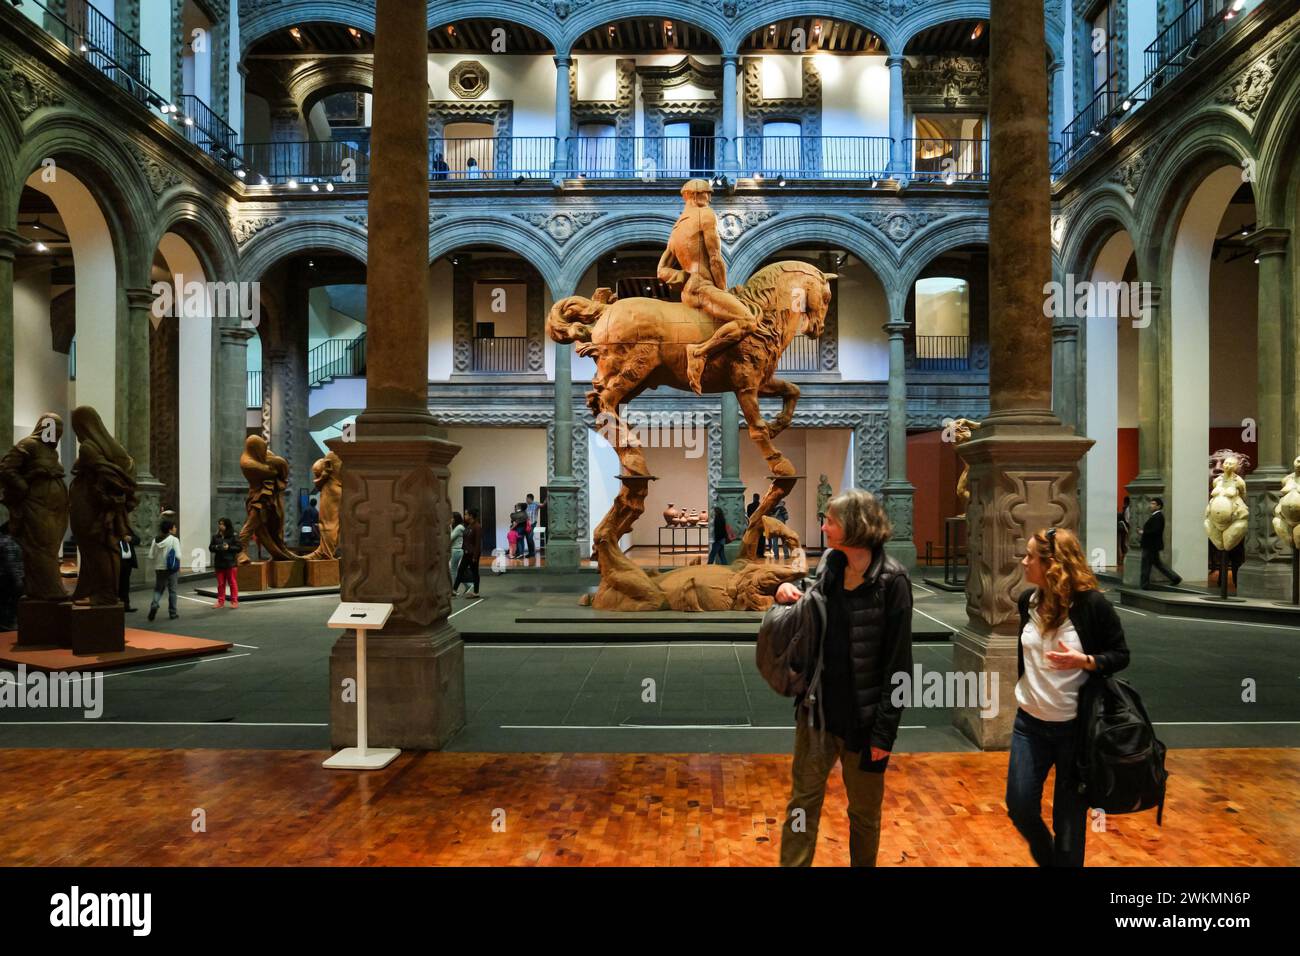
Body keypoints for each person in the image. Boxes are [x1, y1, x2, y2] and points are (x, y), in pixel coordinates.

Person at [773, 489, 913, 867]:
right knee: (802, 805)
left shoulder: (892, 581)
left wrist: (885, 733)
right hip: (817, 713)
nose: (823, 527)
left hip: (865, 725)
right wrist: (791, 593)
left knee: (864, 816)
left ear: (854, 526)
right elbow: (815, 615)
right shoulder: (831, 565)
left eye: (830, 521)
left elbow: (900, 666)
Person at [1007, 527, 1130, 867]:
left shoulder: (1092, 605)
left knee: (1069, 821)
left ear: (1053, 564)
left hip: (1075, 732)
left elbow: (1120, 654)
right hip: (1028, 724)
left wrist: (1087, 661)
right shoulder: (1027, 601)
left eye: (1031, 556)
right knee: (1019, 805)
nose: (1024, 561)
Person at [657, 178, 760, 394]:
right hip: (704, 288)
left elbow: (662, 271)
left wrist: (685, 277)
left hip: (690, 291)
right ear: (694, 196)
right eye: (706, 193)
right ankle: (700, 352)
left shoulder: (677, 229)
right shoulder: (705, 215)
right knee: (747, 321)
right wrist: (722, 289)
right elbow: (715, 258)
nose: (710, 197)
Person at [1139, 496, 1182, 588]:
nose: (1151, 505)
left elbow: (1155, 530)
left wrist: (1144, 532)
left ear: (1159, 506)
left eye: (1153, 504)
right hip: (1151, 545)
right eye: (1151, 503)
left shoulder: (1158, 516)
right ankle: (1175, 578)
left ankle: (1144, 584)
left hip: (1151, 545)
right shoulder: (1156, 516)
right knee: (1158, 564)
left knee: (1146, 564)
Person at [147, 519, 181, 622]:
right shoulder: (174, 540)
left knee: (158, 589)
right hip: (171, 569)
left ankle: (154, 604)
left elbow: (151, 555)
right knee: (172, 591)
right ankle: (173, 613)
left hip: (159, 568)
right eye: (174, 527)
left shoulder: (155, 540)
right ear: (170, 529)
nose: (176, 528)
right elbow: (178, 556)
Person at [209, 517, 242, 609]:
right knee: (220, 584)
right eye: (219, 524)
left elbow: (239, 548)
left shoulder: (233, 535)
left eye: (222, 524)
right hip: (219, 564)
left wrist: (229, 547)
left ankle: (234, 601)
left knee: (232, 583)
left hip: (230, 563)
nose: (220, 526)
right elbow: (210, 548)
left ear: (227, 525)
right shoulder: (215, 536)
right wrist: (217, 547)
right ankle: (220, 602)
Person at [453, 508, 482, 596]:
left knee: (475, 572)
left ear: (471, 516)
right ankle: (454, 590)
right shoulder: (468, 526)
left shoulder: (477, 527)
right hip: (466, 553)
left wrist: (475, 556)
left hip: (472, 554)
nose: (464, 516)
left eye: (466, 514)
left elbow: (478, 543)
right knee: (460, 570)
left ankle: (476, 592)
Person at [0, 522, 23, 631]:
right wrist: (18, 580)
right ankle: (9, 625)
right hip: (8, 580)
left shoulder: (3, 540)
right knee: (10, 603)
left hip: (4, 578)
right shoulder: (9, 542)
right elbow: (11, 563)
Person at [118, 525, 140, 612]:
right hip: (118, 562)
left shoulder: (128, 530)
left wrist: (130, 539)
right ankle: (118, 605)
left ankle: (126, 605)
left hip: (127, 563)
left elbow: (138, 540)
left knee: (125, 584)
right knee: (118, 584)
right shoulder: (113, 534)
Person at [745, 492, 766, 558]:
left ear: (753, 498)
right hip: (760, 524)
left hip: (753, 525)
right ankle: (760, 553)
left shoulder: (749, 506)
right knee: (761, 540)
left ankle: (753, 553)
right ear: (758, 498)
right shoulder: (761, 506)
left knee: (752, 539)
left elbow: (749, 516)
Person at [449, 512, 465, 590]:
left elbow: (450, 538)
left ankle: (453, 588)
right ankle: (468, 585)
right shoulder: (456, 527)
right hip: (456, 550)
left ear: (455, 519)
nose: (450, 519)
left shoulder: (458, 527)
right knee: (455, 570)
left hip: (456, 550)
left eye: (451, 518)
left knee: (453, 570)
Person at [524, 493, 539, 558]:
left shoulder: (535, 504)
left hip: (533, 524)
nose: (526, 500)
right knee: (528, 538)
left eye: (527, 498)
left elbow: (542, 505)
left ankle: (532, 552)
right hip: (527, 524)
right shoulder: (526, 506)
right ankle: (531, 552)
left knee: (530, 538)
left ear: (530, 499)